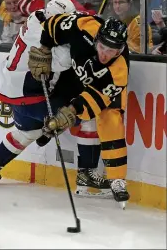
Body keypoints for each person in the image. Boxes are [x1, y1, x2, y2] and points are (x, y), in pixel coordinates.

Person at [0, 0, 110, 195]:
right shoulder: (44, 37)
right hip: (31, 95)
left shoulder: (38, 16)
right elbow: (66, 61)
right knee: (88, 114)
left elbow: (71, 20)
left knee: (27, 132)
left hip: (12, 92)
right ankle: (85, 174)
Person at [27, 13, 130, 205]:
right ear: (96, 39)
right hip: (77, 76)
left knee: (111, 118)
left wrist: (72, 112)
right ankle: (51, 129)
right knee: (57, 108)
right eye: (102, 47)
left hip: (101, 88)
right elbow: (52, 24)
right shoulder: (83, 26)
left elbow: (96, 99)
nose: (105, 54)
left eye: (112, 52)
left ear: (120, 50)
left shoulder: (119, 71)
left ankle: (117, 179)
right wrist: (44, 49)